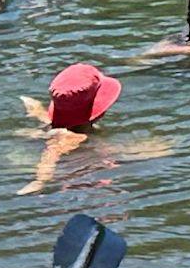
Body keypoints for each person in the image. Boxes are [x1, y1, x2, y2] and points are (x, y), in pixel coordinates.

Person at [21, 62, 166, 194]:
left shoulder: (58, 123)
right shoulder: (73, 138)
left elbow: (45, 118)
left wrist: (34, 108)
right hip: (82, 180)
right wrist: (40, 181)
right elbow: (50, 155)